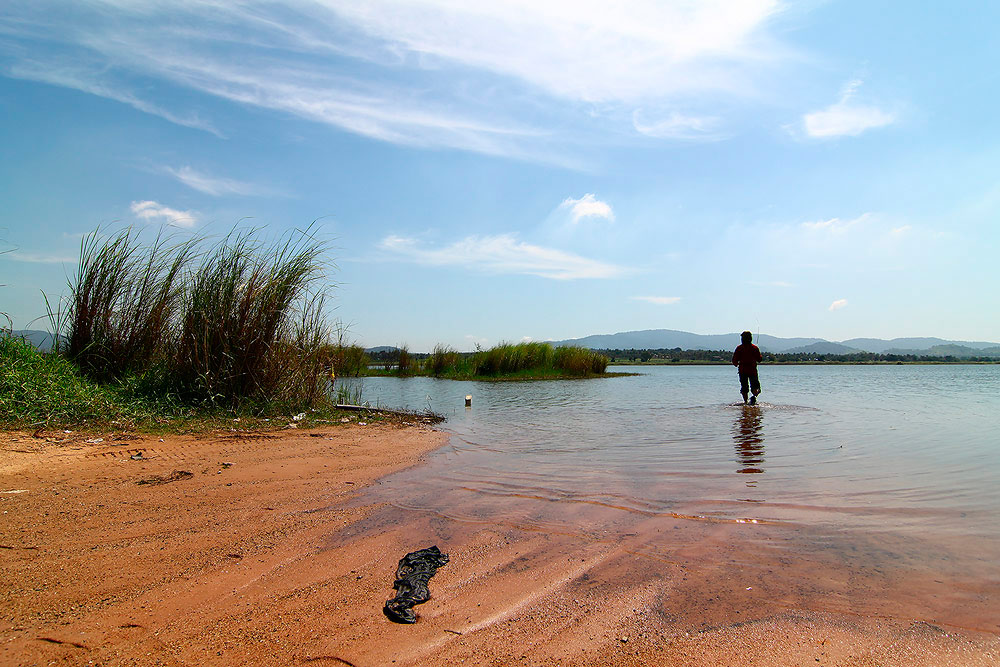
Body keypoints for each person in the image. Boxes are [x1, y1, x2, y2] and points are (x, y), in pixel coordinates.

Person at [732, 330, 763, 405]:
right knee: (756, 387)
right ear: (750, 338)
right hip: (752, 371)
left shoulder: (739, 348)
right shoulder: (755, 348)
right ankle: (753, 397)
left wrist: (736, 364)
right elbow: (759, 360)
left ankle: (746, 402)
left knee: (744, 388)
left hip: (743, 371)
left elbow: (734, 361)